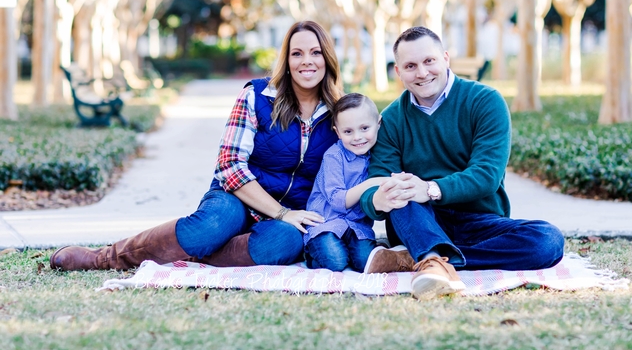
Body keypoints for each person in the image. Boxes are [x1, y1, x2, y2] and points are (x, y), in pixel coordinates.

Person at [50, 20, 344, 271]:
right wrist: (279, 211)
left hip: (291, 213)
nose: (307, 61)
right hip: (238, 198)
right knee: (214, 223)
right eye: (297, 53)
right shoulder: (257, 96)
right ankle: (104, 258)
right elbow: (229, 167)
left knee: (285, 242)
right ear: (287, 61)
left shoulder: (341, 113)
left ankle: (191, 252)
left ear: (327, 59)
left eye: (316, 52)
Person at [359, 26, 564, 300]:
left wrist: (431, 189)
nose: (421, 73)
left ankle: (424, 259)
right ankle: (429, 252)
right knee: (401, 192)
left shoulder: (485, 101)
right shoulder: (392, 119)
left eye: (429, 61)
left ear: (445, 58)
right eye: (410, 65)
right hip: (421, 219)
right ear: (398, 72)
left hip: (481, 221)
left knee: (548, 241)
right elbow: (375, 185)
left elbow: (486, 175)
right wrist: (377, 200)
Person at [304, 93, 415, 273]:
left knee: (366, 261)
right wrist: (373, 182)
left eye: (364, 128)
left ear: (378, 124)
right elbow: (338, 201)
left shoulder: (378, 155)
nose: (357, 137)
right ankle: (311, 251)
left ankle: (382, 251)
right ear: (337, 132)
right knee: (335, 261)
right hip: (326, 224)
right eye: (348, 131)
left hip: (357, 227)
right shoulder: (334, 156)